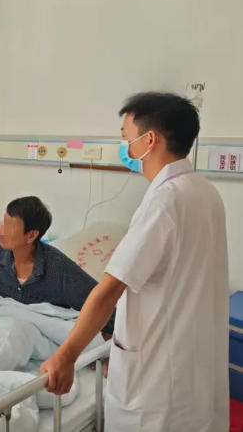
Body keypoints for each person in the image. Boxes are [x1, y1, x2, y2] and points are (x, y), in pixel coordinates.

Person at [40, 92, 229, 431]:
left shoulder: (163, 202)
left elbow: (108, 291)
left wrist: (66, 355)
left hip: (157, 388)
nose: (125, 148)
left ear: (150, 140)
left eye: (127, 138)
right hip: (192, 371)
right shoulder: (205, 191)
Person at [0, 196, 115, 337]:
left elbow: (102, 305)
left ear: (31, 235)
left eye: (10, 226)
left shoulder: (58, 269)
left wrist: (106, 346)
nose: (1, 230)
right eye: (4, 222)